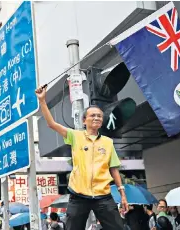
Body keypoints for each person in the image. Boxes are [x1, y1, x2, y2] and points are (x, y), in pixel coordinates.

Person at [35, 85, 129, 230]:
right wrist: (42, 101)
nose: (96, 117)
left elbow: (114, 169)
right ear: (84, 121)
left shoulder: (107, 142)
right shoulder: (75, 136)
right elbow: (51, 124)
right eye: (93, 115)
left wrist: (122, 194)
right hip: (78, 196)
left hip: (103, 195)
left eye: (99, 116)